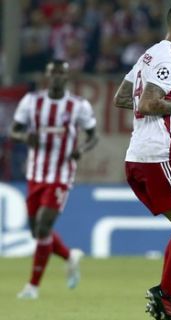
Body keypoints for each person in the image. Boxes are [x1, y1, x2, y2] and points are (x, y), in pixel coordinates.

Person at [112, 1, 171, 319]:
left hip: (138, 157)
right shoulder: (168, 56)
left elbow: (123, 97)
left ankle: (164, 299)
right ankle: (164, 296)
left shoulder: (151, 53)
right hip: (159, 156)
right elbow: (149, 103)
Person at [11, 59, 98, 299]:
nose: (57, 77)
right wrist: (24, 137)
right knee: (36, 232)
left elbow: (93, 136)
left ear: (67, 77)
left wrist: (81, 149)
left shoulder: (78, 105)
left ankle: (32, 287)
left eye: (62, 73)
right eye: (54, 73)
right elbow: (14, 129)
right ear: (47, 76)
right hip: (36, 173)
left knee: (43, 225)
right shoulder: (31, 102)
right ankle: (69, 256)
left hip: (61, 174)